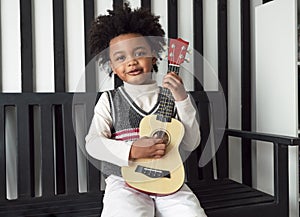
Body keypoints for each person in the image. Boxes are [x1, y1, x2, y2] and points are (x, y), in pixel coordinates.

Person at [85, 3, 207, 217]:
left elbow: (191, 142)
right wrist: (132, 150)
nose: (131, 61)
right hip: (125, 183)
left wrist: (182, 99)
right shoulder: (109, 100)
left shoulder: (172, 97)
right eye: (120, 57)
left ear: (154, 55)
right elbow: (93, 143)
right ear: (112, 66)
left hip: (170, 181)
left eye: (139, 52)